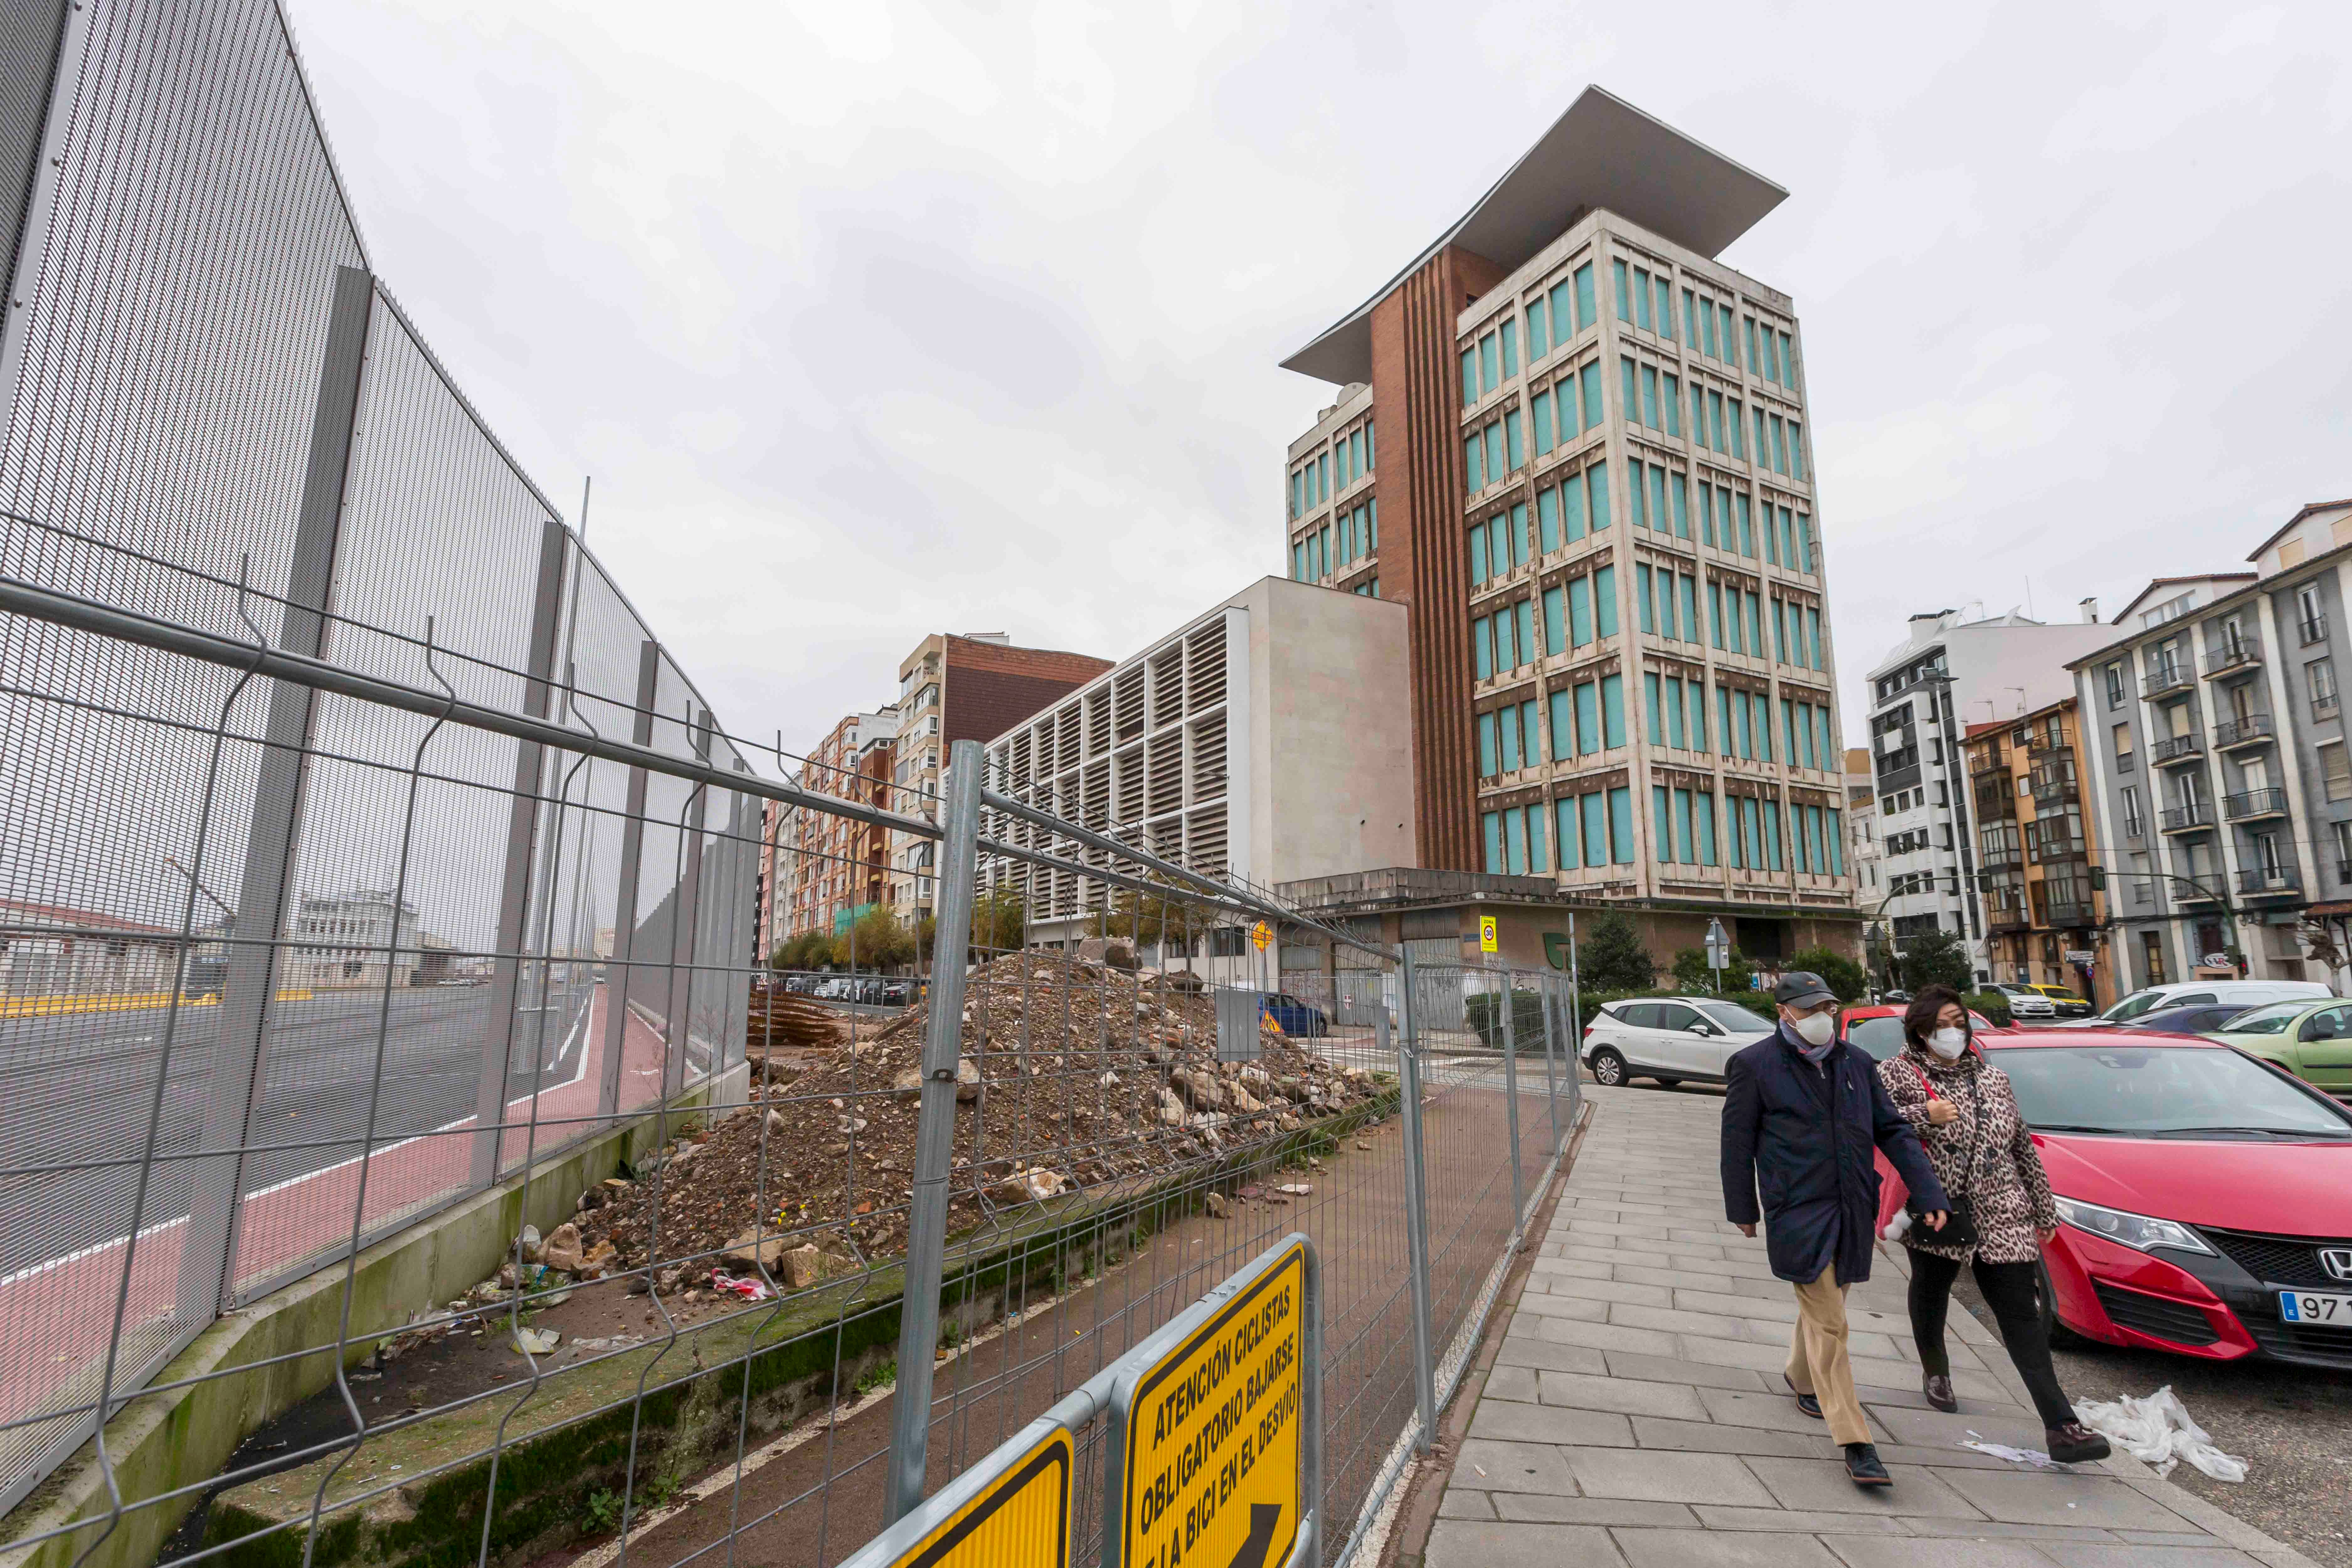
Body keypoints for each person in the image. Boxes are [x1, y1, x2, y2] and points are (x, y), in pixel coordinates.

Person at [1722, 971, 1950, 1489]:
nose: (1823, 1017)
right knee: (1831, 1323)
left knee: (1828, 1308)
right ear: (1785, 1013)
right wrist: (1743, 1207)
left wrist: (1929, 1192)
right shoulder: (1755, 1066)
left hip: (1852, 1206)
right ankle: (1855, 1441)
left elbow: (1891, 1129)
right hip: (1796, 1208)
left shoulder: (1856, 1064)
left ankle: (1800, 1376)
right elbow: (1736, 1143)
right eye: (1809, 1009)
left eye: (1827, 1005)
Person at [1877, 986, 2112, 1464]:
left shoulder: (1995, 1079)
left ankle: (2061, 1426)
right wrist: (1925, 1114)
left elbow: (2021, 1147)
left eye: (1960, 1022)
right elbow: (1873, 1124)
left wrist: (2044, 1211)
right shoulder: (1896, 1073)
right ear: (1922, 1030)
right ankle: (1936, 1370)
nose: (1956, 1032)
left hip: (2003, 1210)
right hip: (1939, 1206)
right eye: (1946, 1023)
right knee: (1931, 1288)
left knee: (2021, 1316)